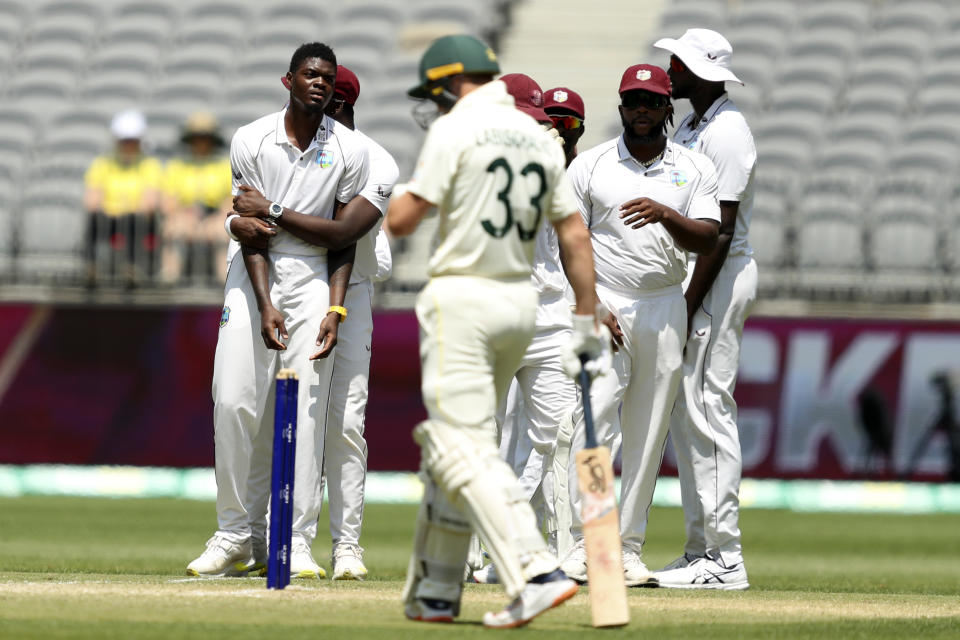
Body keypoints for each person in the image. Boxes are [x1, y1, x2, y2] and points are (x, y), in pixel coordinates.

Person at [387, 35, 605, 628]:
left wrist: (397, 192)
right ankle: (435, 586)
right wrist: (586, 318)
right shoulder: (540, 138)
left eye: (435, 94)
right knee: (452, 444)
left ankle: (535, 569)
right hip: (524, 306)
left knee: (461, 443)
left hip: (464, 299)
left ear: (453, 83)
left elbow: (403, 221)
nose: (433, 106)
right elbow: (575, 236)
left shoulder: (455, 129)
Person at [186, 42, 369, 579]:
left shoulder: (349, 151)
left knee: (309, 409)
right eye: (311, 74)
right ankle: (234, 533)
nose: (320, 83)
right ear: (288, 80)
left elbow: (342, 241)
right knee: (233, 400)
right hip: (254, 275)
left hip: (315, 276)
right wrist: (266, 304)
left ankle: (297, 541)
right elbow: (249, 228)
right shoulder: (251, 138)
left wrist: (334, 308)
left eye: (328, 78)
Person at [558, 64, 721, 587]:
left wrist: (665, 214)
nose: (643, 111)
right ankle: (587, 544)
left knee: (648, 434)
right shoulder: (592, 165)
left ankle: (626, 549)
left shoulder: (693, 168)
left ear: (667, 108)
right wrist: (593, 304)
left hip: (664, 304)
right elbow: (568, 241)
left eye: (652, 102)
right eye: (634, 101)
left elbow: (708, 238)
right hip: (606, 303)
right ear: (622, 106)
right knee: (594, 426)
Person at [651, 28, 758, 590]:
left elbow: (723, 231)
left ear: (703, 70)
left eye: (679, 61)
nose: (669, 68)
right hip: (694, 280)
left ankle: (724, 557)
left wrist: (687, 306)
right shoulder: (696, 124)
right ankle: (703, 552)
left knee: (707, 409)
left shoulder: (729, 131)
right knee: (689, 413)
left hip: (715, 281)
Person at [472, 73, 581, 584]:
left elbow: (573, 240)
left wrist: (590, 306)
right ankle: (480, 553)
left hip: (552, 317)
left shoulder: (550, 166)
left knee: (557, 436)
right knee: (482, 438)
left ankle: (562, 551)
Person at [307, 64, 399, 580]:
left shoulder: (372, 158)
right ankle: (284, 539)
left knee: (344, 422)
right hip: (297, 287)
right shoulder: (288, 147)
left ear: (340, 106)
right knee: (297, 418)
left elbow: (364, 248)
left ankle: (346, 546)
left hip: (352, 293)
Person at [82, 109, 162, 286]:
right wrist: (111, 211)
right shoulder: (102, 164)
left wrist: (122, 211)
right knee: (93, 220)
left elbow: (149, 204)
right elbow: (91, 200)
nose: (128, 145)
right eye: (124, 141)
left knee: (134, 221)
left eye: (132, 141)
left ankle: (133, 267)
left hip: (136, 218)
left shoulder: (150, 166)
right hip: (109, 217)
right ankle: (91, 266)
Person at [159, 112, 233, 284]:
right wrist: (186, 215)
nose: (201, 143)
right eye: (197, 138)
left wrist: (216, 217)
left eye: (205, 138)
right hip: (184, 216)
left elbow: (230, 201)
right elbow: (168, 201)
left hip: (215, 217)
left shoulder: (223, 166)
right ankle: (169, 280)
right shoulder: (176, 167)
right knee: (175, 228)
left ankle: (225, 282)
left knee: (223, 231)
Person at [543, 86, 586, 167]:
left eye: (569, 122)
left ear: (581, 131)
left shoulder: (587, 173)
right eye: (552, 121)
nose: (560, 129)